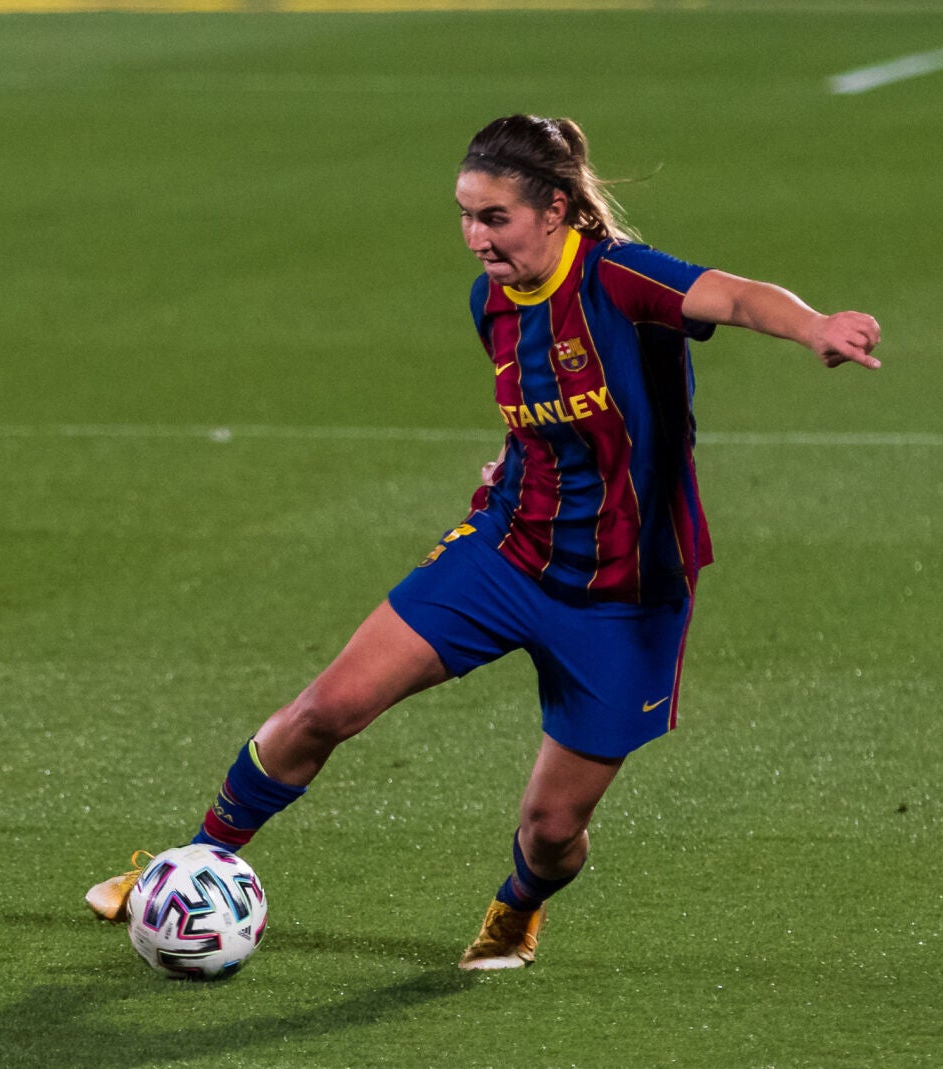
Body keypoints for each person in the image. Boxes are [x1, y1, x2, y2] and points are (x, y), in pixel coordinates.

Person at [85, 114, 882, 970]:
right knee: (325, 709)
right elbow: (542, 406)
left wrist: (816, 326)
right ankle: (193, 863)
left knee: (551, 832)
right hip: (505, 551)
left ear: (558, 209)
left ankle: (518, 907)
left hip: (624, 598)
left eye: (493, 217)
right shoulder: (491, 300)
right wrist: (517, 452)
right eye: (465, 215)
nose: (475, 237)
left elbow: (732, 295)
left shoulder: (618, 278)